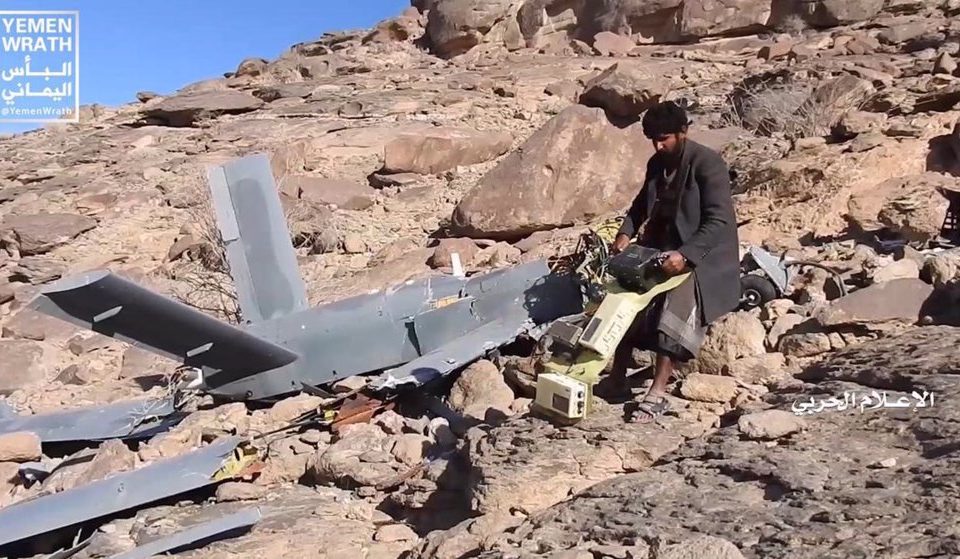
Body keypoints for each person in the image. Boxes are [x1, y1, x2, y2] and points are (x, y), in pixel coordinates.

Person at [606, 100, 740, 423]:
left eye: (664, 138)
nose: (658, 145)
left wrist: (686, 255)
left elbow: (718, 220)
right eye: (653, 139)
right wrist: (625, 234)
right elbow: (640, 206)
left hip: (704, 257)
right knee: (625, 292)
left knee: (676, 301)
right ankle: (617, 378)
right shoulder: (657, 163)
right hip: (662, 250)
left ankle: (657, 392)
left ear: (683, 132)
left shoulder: (708, 164)